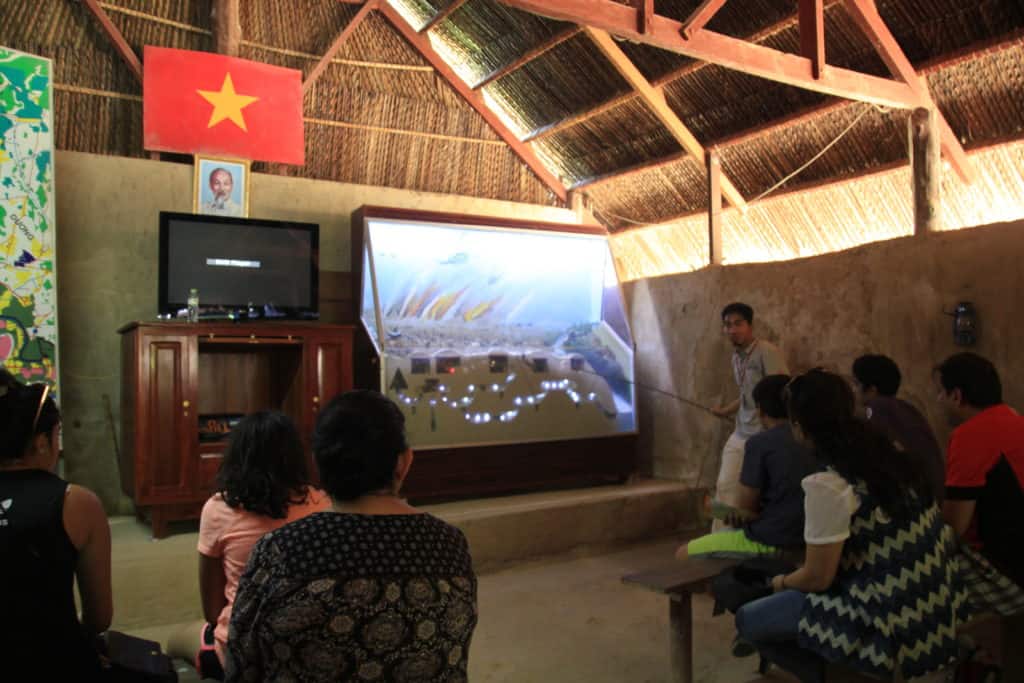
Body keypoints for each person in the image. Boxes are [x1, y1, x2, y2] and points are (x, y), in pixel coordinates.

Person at [225, 391, 477, 682]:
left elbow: (240, 663)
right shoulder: (450, 545)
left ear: (317, 464)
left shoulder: (281, 550)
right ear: (403, 462)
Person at [735, 370, 967, 683]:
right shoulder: (893, 456)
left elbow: (818, 577)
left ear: (800, 428)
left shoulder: (828, 483)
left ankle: (840, 676)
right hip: (935, 594)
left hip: (885, 614)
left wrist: (779, 583)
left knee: (749, 620)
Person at [167, 411, 331, 679]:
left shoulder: (218, 508)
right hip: (307, 648)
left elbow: (211, 609)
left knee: (174, 640)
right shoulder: (322, 503)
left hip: (241, 654)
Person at [0, 370, 113, 680]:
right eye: (57, 434)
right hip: (56, 660)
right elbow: (99, 617)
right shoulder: (77, 503)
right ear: (41, 442)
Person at [678, 375, 817, 560]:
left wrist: (726, 512)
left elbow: (746, 509)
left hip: (774, 541)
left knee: (684, 553)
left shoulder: (759, 444)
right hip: (812, 539)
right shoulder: (814, 438)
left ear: (759, 410)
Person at [935, 352, 1024, 610]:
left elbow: (953, 527)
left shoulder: (971, 435)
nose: (938, 401)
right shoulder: (1015, 420)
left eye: (940, 392)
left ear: (957, 396)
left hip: (1008, 569)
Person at [710, 303, 788, 531]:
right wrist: (724, 410)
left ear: (750, 326)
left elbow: (781, 390)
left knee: (755, 492)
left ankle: (742, 537)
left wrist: (774, 432)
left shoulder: (766, 351)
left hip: (763, 435)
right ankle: (721, 538)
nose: (732, 330)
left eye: (738, 324)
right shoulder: (736, 358)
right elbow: (746, 395)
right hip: (741, 432)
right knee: (725, 486)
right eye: (727, 325)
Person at [851, 353, 945, 500]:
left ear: (872, 390)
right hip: (935, 494)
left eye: (856, 384)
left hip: (918, 498)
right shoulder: (906, 408)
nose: (853, 390)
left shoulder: (877, 408)